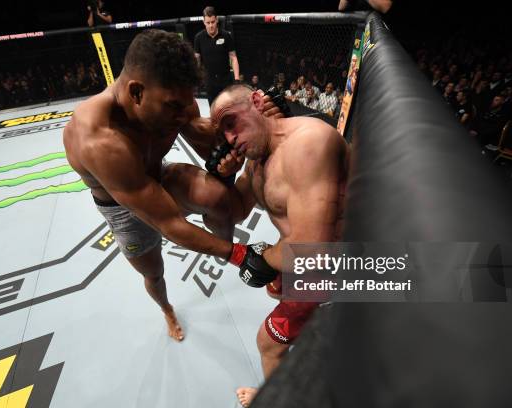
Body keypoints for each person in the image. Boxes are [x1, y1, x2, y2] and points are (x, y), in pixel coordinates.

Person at [63, 30, 282, 343]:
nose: (184, 113)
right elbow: (169, 223)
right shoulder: (99, 139)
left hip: (158, 177)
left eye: (187, 103)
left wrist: (256, 123)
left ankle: (223, 246)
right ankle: (166, 308)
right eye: (173, 107)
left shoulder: (173, 101)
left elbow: (209, 143)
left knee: (217, 196)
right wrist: (240, 255)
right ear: (136, 92)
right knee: (153, 273)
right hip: (122, 206)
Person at [209, 84, 349, 407]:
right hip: (306, 258)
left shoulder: (307, 144)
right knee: (277, 289)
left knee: (268, 344)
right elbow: (232, 214)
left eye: (231, 122)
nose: (229, 138)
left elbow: (313, 251)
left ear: (257, 101)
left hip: (336, 264)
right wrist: (224, 180)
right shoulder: (255, 164)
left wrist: (264, 257)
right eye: (223, 134)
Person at [194, 6, 240, 105]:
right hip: (210, 81)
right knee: (213, 109)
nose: (211, 25)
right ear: (204, 22)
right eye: (208, 23)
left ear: (217, 20)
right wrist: (195, 78)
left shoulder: (226, 35)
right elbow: (196, 60)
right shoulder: (198, 38)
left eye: (213, 22)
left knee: (228, 108)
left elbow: (233, 57)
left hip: (226, 80)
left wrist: (236, 79)